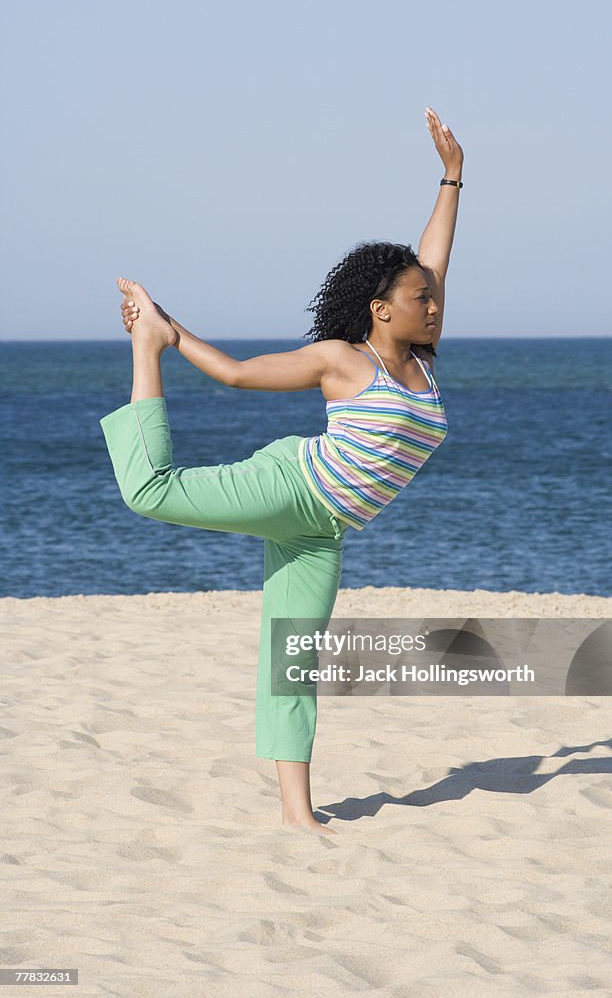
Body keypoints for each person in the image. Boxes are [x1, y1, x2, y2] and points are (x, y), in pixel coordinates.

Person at [100, 107, 463, 835]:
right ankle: (143, 351)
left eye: (429, 295)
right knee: (148, 491)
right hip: (293, 485)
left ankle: (299, 816)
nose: (432, 302)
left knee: (293, 660)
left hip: (323, 531)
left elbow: (435, 255)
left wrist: (452, 174)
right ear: (379, 311)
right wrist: (168, 336)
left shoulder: (420, 356)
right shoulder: (341, 360)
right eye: (418, 297)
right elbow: (236, 374)